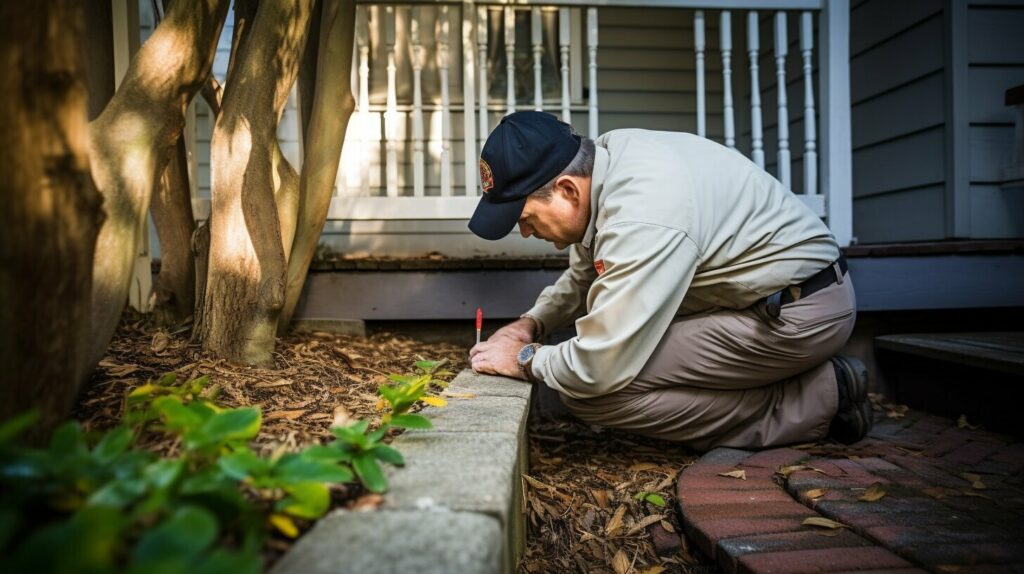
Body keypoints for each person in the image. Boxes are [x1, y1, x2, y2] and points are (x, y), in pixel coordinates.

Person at [467, 111, 871, 451]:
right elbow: (584, 276)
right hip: (764, 301)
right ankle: (812, 386)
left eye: (525, 219)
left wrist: (525, 359)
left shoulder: (644, 211)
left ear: (567, 189)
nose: (524, 232)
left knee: (593, 392)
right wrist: (531, 324)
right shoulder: (609, 161)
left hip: (798, 312)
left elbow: (598, 366)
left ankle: (820, 399)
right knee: (598, 359)